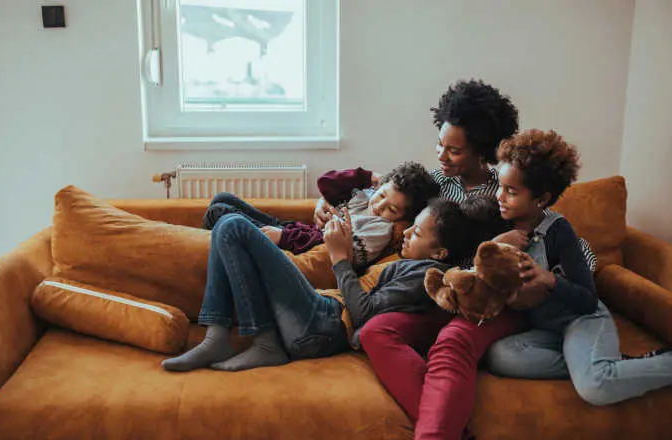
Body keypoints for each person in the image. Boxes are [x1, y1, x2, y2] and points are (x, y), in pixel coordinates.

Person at [358, 79, 523, 440]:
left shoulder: (507, 192)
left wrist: (506, 241)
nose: (441, 156)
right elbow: (381, 198)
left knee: (451, 344)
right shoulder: (435, 183)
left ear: (482, 152)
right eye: (440, 144)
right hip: (436, 297)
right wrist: (331, 205)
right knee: (373, 331)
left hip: (479, 302)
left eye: (454, 151)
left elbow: (536, 239)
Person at [161, 198, 475, 373]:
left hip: (323, 325)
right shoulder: (405, 258)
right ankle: (241, 339)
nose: (406, 233)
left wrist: (340, 258)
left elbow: (364, 315)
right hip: (320, 308)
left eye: (417, 233)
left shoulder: (427, 275)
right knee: (225, 216)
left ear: (440, 253)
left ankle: (238, 340)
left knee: (232, 226)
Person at [486, 129, 672, 406]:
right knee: (500, 356)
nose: (500, 196)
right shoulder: (499, 223)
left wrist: (549, 281)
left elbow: (587, 299)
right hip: (547, 331)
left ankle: (641, 366)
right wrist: (494, 244)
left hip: (582, 320)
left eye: (511, 191)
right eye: (500, 187)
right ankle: (596, 364)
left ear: (541, 199)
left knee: (596, 388)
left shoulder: (559, 232)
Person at [203, 162, 439, 269]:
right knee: (223, 198)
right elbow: (326, 183)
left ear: (403, 218)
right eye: (382, 196)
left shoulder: (380, 229)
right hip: (297, 231)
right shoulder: (365, 198)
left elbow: (335, 250)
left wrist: (284, 238)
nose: (380, 207)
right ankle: (220, 257)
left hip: (298, 244)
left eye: (392, 210)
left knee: (219, 213)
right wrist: (366, 176)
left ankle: (211, 263)